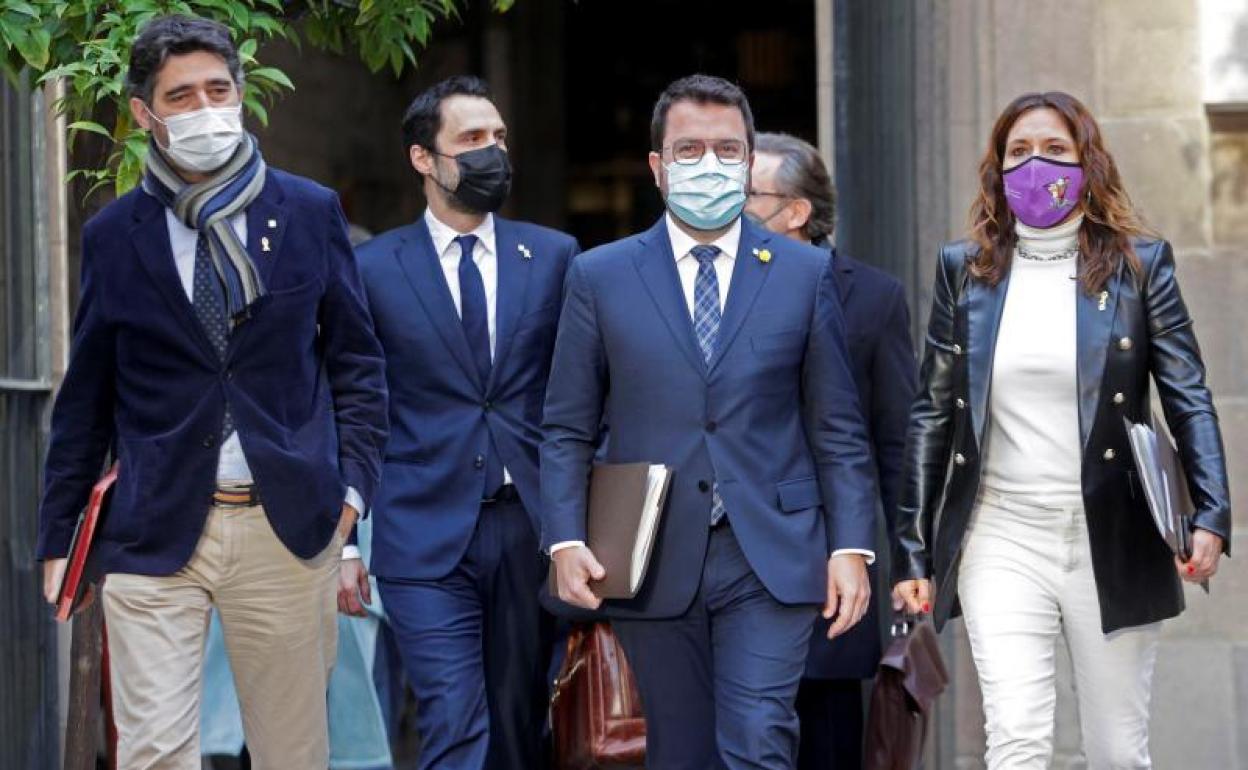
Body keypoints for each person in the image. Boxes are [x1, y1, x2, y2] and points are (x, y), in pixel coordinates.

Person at [35, 14, 388, 769]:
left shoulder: (308, 211)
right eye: (182, 95)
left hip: (287, 526)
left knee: (292, 753)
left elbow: (357, 363)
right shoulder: (114, 233)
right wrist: (59, 533)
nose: (205, 110)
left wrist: (353, 494)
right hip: (153, 525)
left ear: (241, 93)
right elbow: (87, 395)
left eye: (218, 90)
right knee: (155, 752)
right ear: (144, 114)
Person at [542, 74, 877, 770]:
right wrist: (565, 538)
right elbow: (567, 425)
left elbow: (837, 426)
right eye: (689, 149)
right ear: (659, 169)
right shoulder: (599, 275)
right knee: (681, 752)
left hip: (773, 552)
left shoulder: (801, 273)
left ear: (749, 161)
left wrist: (852, 547)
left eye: (727, 150)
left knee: (758, 740)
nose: (709, 164)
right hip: (653, 553)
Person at [892, 91, 1232, 769]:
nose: (1035, 164)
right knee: (1016, 740)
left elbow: (1187, 393)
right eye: (1018, 151)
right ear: (996, 168)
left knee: (1115, 749)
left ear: (1087, 163)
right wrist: (912, 550)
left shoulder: (1141, 264)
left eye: (1055, 150)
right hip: (1001, 532)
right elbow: (933, 411)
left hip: (1112, 531)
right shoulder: (966, 271)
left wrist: (1212, 514)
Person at [354, 75, 580, 770]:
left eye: (499, 138)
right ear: (424, 158)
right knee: (452, 716)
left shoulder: (553, 257)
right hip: (421, 530)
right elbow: (353, 403)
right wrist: (341, 543)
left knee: (519, 725)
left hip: (528, 526)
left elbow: (577, 398)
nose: (493, 152)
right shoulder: (370, 268)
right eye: (472, 139)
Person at [746, 132, 917, 770]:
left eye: (749, 193)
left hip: (826, 565)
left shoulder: (871, 297)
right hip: (726, 555)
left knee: (827, 741)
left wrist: (910, 562)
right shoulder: (704, 287)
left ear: (797, 212)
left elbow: (896, 440)